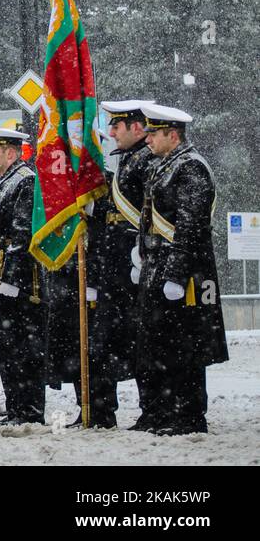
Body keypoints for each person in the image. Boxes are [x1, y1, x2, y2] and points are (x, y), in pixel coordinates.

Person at [133, 104, 229, 435]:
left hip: (185, 273)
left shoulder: (191, 168)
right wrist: (143, 256)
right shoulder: (165, 166)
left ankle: (188, 416)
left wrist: (174, 275)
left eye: (153, 134)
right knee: (158, 344)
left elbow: (190, 227)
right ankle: (163, 412)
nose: (147, 140)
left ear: (172, 135)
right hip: (158, 265)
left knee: (183, 347)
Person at [0, 126, 45, 425]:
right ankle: (16, 407)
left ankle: (29, 410)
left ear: (12, 153)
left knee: (23, 348)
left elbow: (21, 235)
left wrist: (11, 281)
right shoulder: (5, 181)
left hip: (17, 280)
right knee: (6, 346)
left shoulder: (24, 181)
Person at [92, 100, 156, 429]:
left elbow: (150, 216)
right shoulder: (127, 161)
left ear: (137, 128)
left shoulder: (147, 162)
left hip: (134, 266)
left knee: (142, 341)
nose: (112, 132)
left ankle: (153, 409)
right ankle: (102, 411)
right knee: (106, 342)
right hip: (113, 268)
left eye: (118, 126)